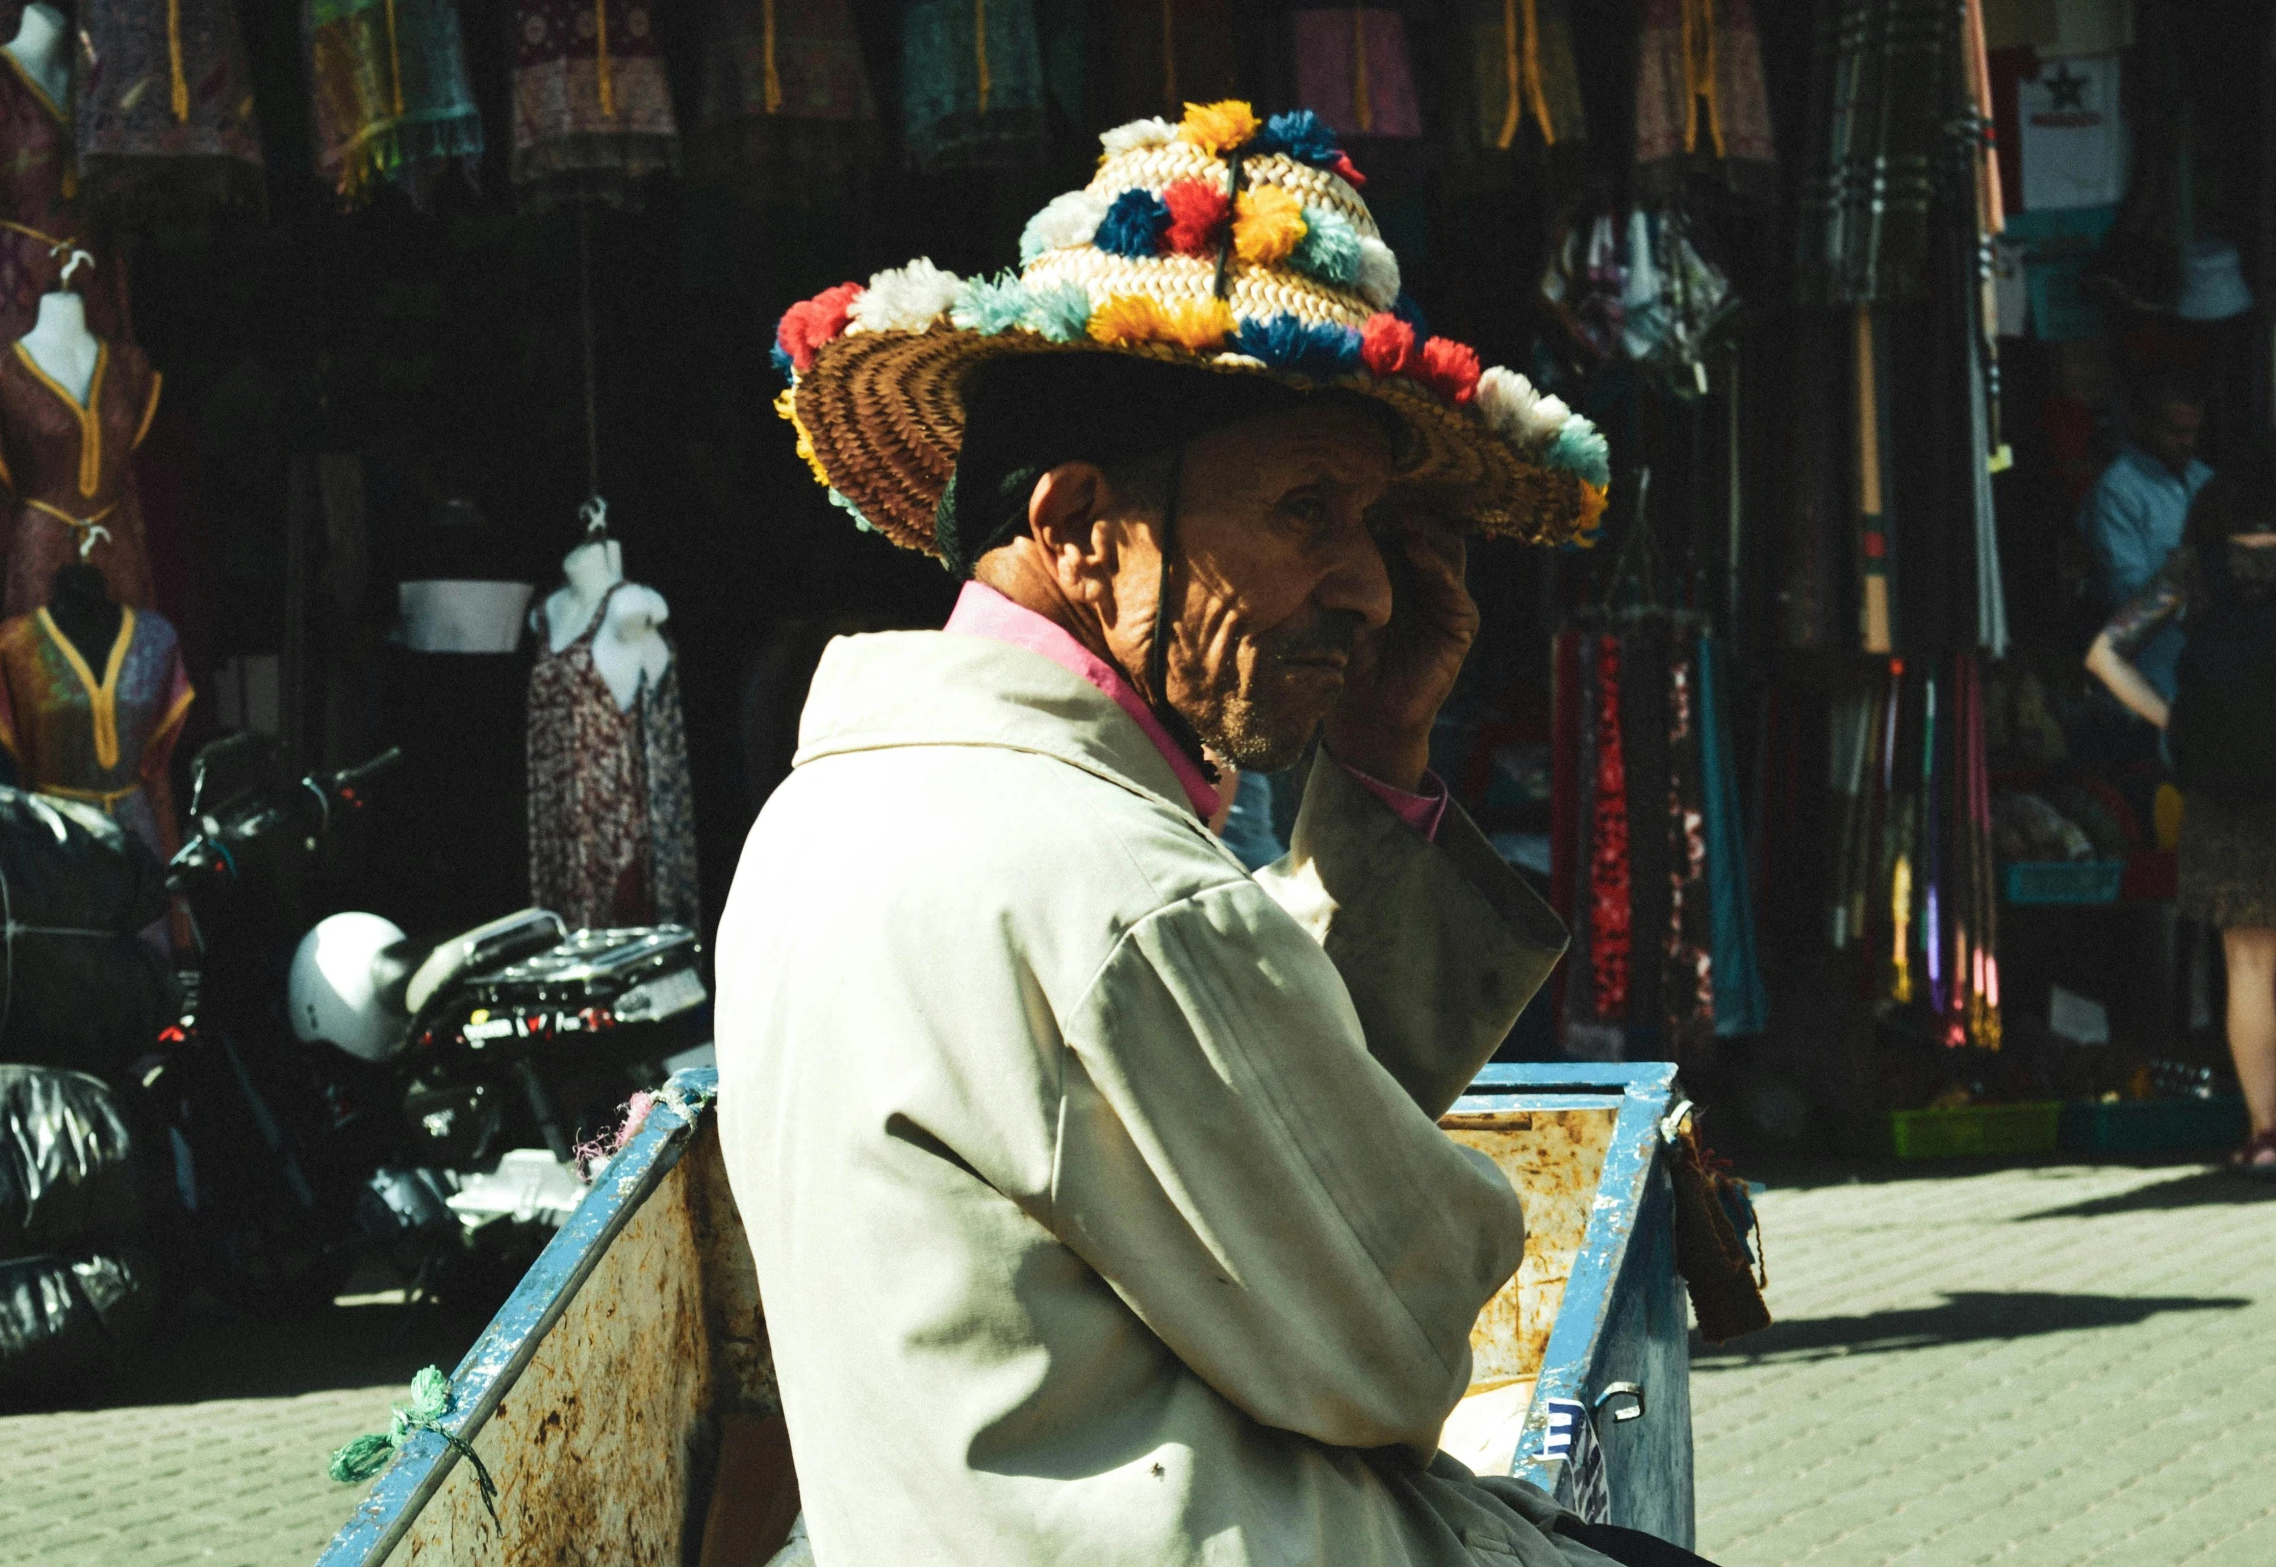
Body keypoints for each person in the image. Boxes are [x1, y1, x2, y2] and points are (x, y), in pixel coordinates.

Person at [716, 104, 1719, 1567]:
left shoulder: (831, 810)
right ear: (1078, 530)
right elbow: (1387, 1330)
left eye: (1371, 524)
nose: (1370, 589)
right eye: (1308, 509)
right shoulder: (1098, 882)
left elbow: (1229, 1132)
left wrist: (1373, 762)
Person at [2086, 444, 2276, 1174]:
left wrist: (2177, 723)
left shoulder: (2196, 570)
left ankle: (2265, 1134)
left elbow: (2106, 653)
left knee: (2251, 963)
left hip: (2222, 792)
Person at [2076, 369, 2213, 701]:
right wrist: (2185, 578)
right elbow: (2127, 605)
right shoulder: (2118, 493)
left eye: (2194, 432)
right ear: (2141, 425)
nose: (2189, 443)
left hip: (2208, 674)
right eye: (2177, 432)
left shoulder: (2203, 479)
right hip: (2152, 681)